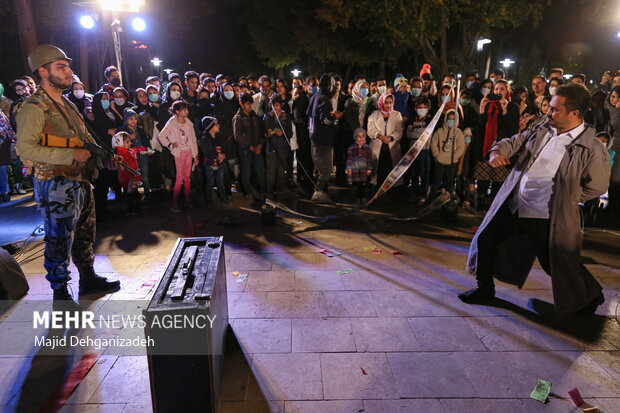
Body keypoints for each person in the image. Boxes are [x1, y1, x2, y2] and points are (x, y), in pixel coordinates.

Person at [459, 84, 610, 318]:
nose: (548, 113)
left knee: (554, 264)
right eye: (549, 107)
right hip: (515, 203)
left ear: (575, 114)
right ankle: (485, 290)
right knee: (486, 238)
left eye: (554, 109)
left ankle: (590, 296)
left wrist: (566, 197)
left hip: (547, 215)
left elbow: (597, 186)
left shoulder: (591, 147)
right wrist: (497, 152)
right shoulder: (542, 127)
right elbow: (515, 141)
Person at [16, 45, 120, 309]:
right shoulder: (33, 107)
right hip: (55, 183)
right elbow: (26, 150)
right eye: (61, 67)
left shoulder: (68, 105)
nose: (69, 72)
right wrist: (70, 156)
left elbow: (84, 140)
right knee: (59, 238)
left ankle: (88, 278)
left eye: (67, 66)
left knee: (85, 232)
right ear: (43, 71)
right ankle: (60, 294)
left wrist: (102, 155)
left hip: (80, 180)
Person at [158, 100, 199, 212]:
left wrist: (195, 155)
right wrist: (170, 145)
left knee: (187, 178)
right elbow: (161, 136)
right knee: (179, 178)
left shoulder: (189, 123)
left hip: (189, 153)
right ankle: (175, 203)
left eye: (187, 110)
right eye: (184, 110)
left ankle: (188, 199)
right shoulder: (172, 122)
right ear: (177, 111)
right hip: (179, 154)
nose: (187, 112)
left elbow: (193, 140)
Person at [307, 74, 341, 193]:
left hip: (314, 138)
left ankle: (319, 192)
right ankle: (318, 193)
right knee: (326, 171)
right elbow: (325, 120)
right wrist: (335, 118)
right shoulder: (324, 99)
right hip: (322, 140)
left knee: (320, 170)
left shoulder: (315, 96)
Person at [366, 92, 403, 188]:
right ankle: (376, 192)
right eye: (386, 102)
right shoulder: (374, 114)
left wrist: (390, 137)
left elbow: (399, 131)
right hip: (378, 147)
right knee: (378, 171)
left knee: (390, 170)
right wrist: (380, 136)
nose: (389, 105)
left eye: (391, 102)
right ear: (382, 102)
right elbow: (370, 130)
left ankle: (389, 193)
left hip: (391, 148)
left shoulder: (397, 114)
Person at [233, 92, 266, 198]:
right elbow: (238, 136)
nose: (249, 106)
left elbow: (261, 132)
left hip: (257, 148)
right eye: (247, 103)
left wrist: (260, 145)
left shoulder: (254, 116)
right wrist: (249, 146)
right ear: (241, 104)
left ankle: (262, 190)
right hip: (245, 149)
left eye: (250, 104)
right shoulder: (237, 118)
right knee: (246, 171)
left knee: (260, 170)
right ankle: (247, 192)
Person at [429, 109, 465, 198]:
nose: (451, 121)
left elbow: (461, 147)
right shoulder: (439, 131)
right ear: (445, 119)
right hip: (440, 161)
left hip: (452, 162)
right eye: (449, 119)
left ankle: (448, 200)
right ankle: (431, 198)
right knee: (436, 181)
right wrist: (437, 155)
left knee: (449, 182)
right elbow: (434, 144)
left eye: (453, 119)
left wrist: (454, 157)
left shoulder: (458, 132)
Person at [263, 94, 293, 198]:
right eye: (273, 105)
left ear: (281, 105)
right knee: (270, 172)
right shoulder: (267, 117)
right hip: (271, 148)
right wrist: (271, 132)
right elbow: (265, 133)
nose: (275, 108)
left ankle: (279, 191)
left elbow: (290, 134)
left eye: (277, 105)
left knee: (281, 172)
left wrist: (282, 132)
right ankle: (269, 192)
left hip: (282, 148)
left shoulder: (286, 117)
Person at [405, 96, 433, 203]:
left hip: (425, 149)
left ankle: (423, 193)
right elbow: (408, 134)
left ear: (428, 108)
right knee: (414, 172)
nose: (422, 109)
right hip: (413, 150)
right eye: (420, 107)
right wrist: (422, 132)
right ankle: (414, 192)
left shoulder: (430, 119)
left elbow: (429, 134)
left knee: (425, 172)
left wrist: (416, 132)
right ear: (416, 108)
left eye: (424, 107)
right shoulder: (412, 119)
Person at [199, 116, 228, 204]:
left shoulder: (220, 136)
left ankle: (223, 198)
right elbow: (207, 151)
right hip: (210, 163)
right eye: (216, 125)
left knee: (221, 182)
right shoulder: (204, 138)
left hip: (220, 162)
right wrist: (217, 156)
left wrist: (223, 155)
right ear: (210, 127)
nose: (218, 126)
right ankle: (208, 199)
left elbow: (225, 147)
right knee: (210, 182)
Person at [113, 132, 143, 214]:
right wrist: (131, 178)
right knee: (133, 195)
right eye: (127, 142)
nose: (130, 143)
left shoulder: (127, 151)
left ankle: (131, 210)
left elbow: (136, 150)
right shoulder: (121, 153)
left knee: (131, 194)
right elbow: (125, 168)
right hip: (128, 177)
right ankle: (134, 210)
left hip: (130, 176)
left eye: (130, 141)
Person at [346, 128, 372, 203]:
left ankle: (362, 196)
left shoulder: (367, 147)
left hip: (363, 170)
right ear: (355, 137)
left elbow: (369, 159)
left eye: (363, 136)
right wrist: (349, 168)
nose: (361, 138)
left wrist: (369, 169)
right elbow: (349, 159)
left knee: (363, 184)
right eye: (359, 136)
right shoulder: (352, 147)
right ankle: (358, 197)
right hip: (355, 170)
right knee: (357, 184)